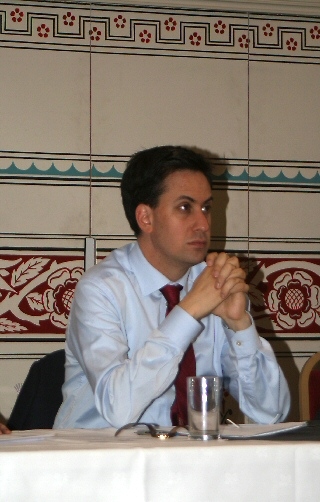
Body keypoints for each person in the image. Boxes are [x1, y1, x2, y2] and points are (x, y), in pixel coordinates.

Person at [54, 145, 290, 429]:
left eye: (206, 207)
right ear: (146, 218)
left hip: (189, 462)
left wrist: (239, 324)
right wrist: (187, 313)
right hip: (100, 463)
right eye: (184, 207)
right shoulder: (101, 289)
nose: (202, 223)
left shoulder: (214, 283)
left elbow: (271, 414)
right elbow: (118, 409)